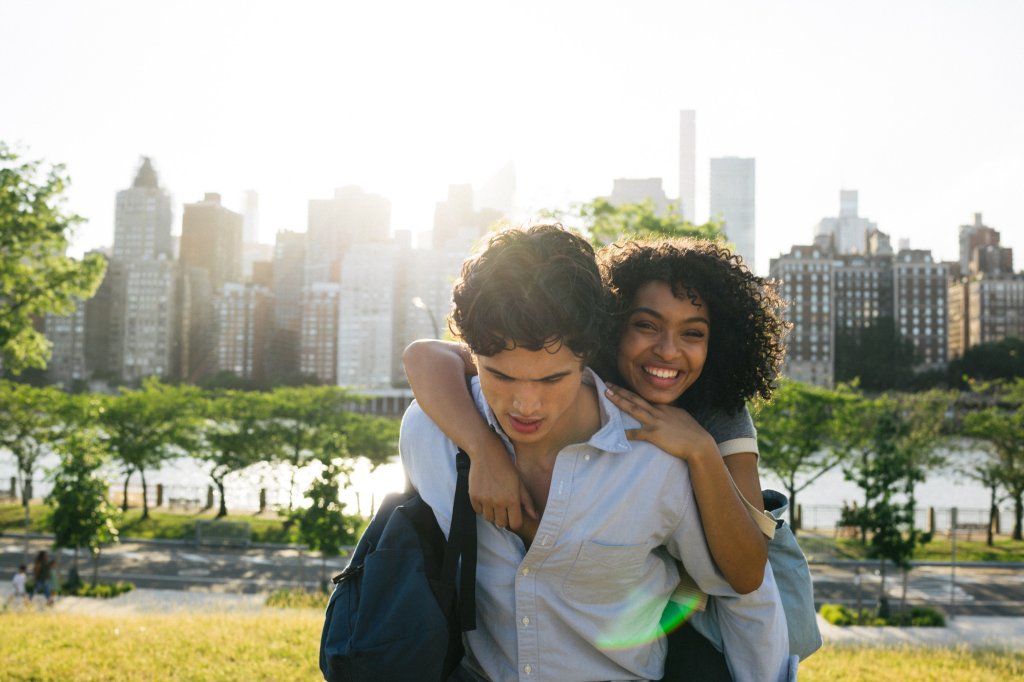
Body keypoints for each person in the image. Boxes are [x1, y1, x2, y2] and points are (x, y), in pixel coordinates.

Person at [399, 225, 789, 682]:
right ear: (613, 329)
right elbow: (426, 356)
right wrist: (483, 450)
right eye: (645, 324)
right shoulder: (466, 403)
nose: (526, 404)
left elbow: (747, 580)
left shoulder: (710, 424)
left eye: (692, 333)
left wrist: (701, 451)